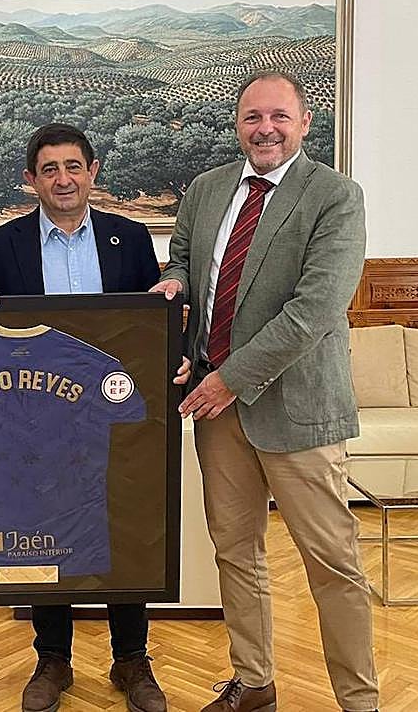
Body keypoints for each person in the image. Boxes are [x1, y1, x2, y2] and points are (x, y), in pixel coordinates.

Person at [151, 71, 378, 712]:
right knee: (235, 553)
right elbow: (184, 263)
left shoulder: (335, 196)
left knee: (332, 565)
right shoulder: (206, 190)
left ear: (305, 123)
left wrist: (230, 378)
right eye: (253, 117)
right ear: (237, 124)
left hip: (297, 409)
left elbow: (316, 309)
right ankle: (253, 684)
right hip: (217, 413)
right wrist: (174, 286)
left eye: (279, 116)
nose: (265, 128)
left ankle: (359, 701)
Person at [0, 122, 187, 712]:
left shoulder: (131, 239)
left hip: (113, 419)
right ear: (31, 180)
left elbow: (149, 329)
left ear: (93, 173)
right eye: (50, 169)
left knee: (123, 526)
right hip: (32, 423)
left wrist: (173, 344)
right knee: (45, 532)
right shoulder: (1, 246)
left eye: (73, 166)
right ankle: (52, 659)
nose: (63, 178)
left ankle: (131, 659)